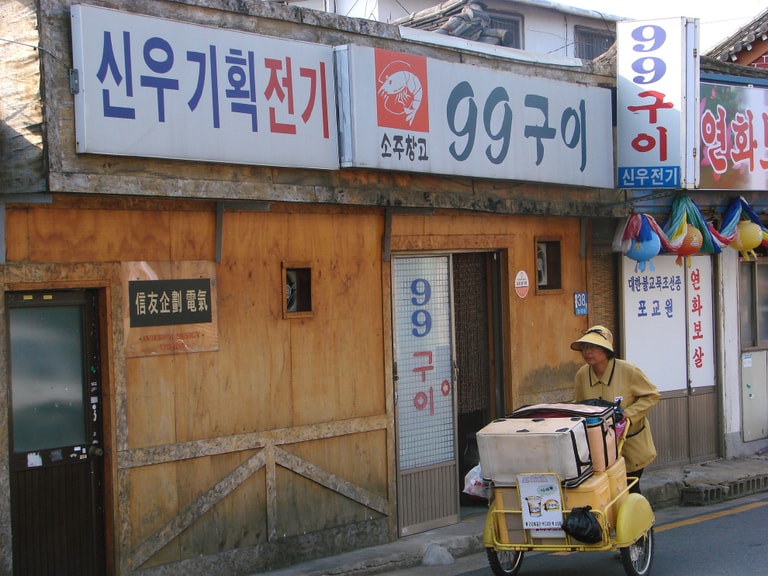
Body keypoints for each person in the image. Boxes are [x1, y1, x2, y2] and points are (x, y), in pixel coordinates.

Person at [570, 325, 661, 494]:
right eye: (584, 347)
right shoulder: (582, 374)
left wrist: (628, 414)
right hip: (599, 448)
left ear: (606, 350)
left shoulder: (628, 371)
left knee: (630, 490)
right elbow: (579, 405)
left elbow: (652, 395)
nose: (587, 352)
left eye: (593, 347)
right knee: (607, 493)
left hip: (630, 447)